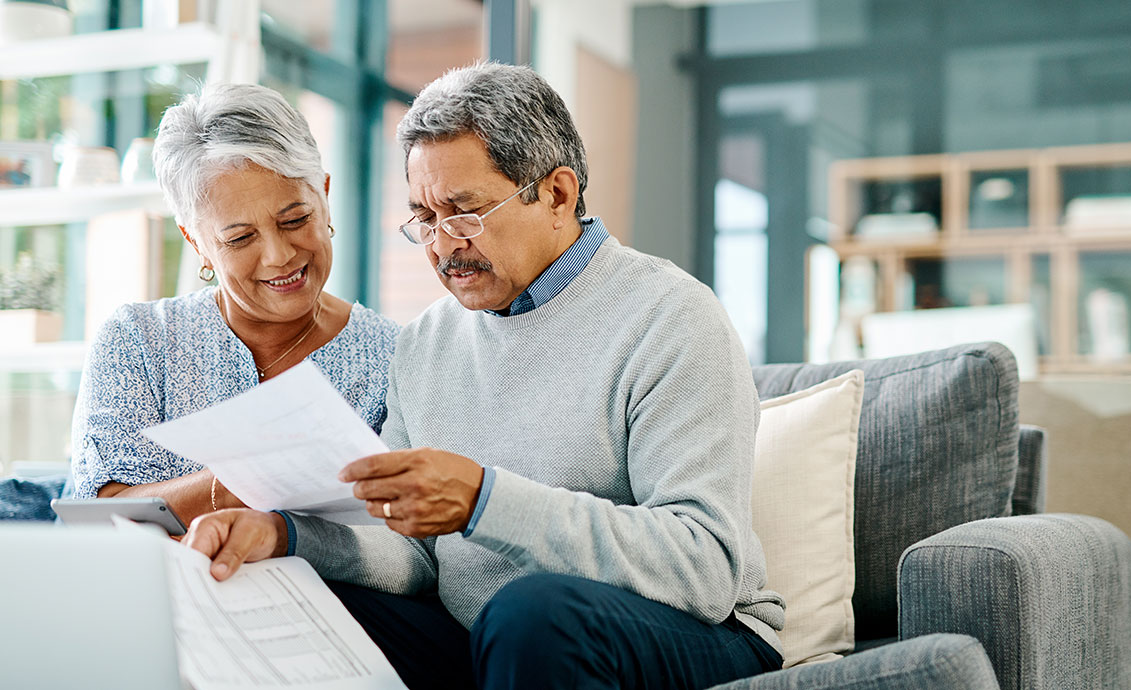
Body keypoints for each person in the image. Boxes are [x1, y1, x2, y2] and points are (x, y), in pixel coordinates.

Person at [184, 62, 784, 690]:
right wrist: (283, 535)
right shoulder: (425, 341)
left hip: (689, 631)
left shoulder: (670, 318)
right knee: (312, 598)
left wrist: (482, 502)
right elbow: (412, 556)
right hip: (490, 639)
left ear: (557, 194)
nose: (443, 246)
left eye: (464, 212)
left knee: (531, 615)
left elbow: (705, 566)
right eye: (424, 217)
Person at [68, 83, 399, 525]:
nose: (279, 256)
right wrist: (249, 482)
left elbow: (405, 539)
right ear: (197, 242)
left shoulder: (393, 356)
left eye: (295, 219)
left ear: (324, 195)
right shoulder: (139, 341)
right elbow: (102, 510)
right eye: (240, 238)